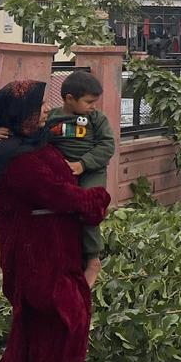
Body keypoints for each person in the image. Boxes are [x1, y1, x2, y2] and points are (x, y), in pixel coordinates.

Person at [0, 81, 111, 362]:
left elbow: (80, 140)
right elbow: (65, 197)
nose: (46, 112)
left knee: (67, 328)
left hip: (60, 255)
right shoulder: (18, 161)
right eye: (37, 108)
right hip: (38, 264)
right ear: (22, 118)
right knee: (60, 328)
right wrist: (99, 198)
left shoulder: (34, 144)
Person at [45, 70, 117, 289]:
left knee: (87, 206)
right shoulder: (51, 118)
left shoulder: (97, 119)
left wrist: (83, 164)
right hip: (62, 172)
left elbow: (107, 146)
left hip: (91, 172)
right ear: (69, 99)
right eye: (89, 102)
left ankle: (93, 259)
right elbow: (32, 137)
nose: (93, 106)